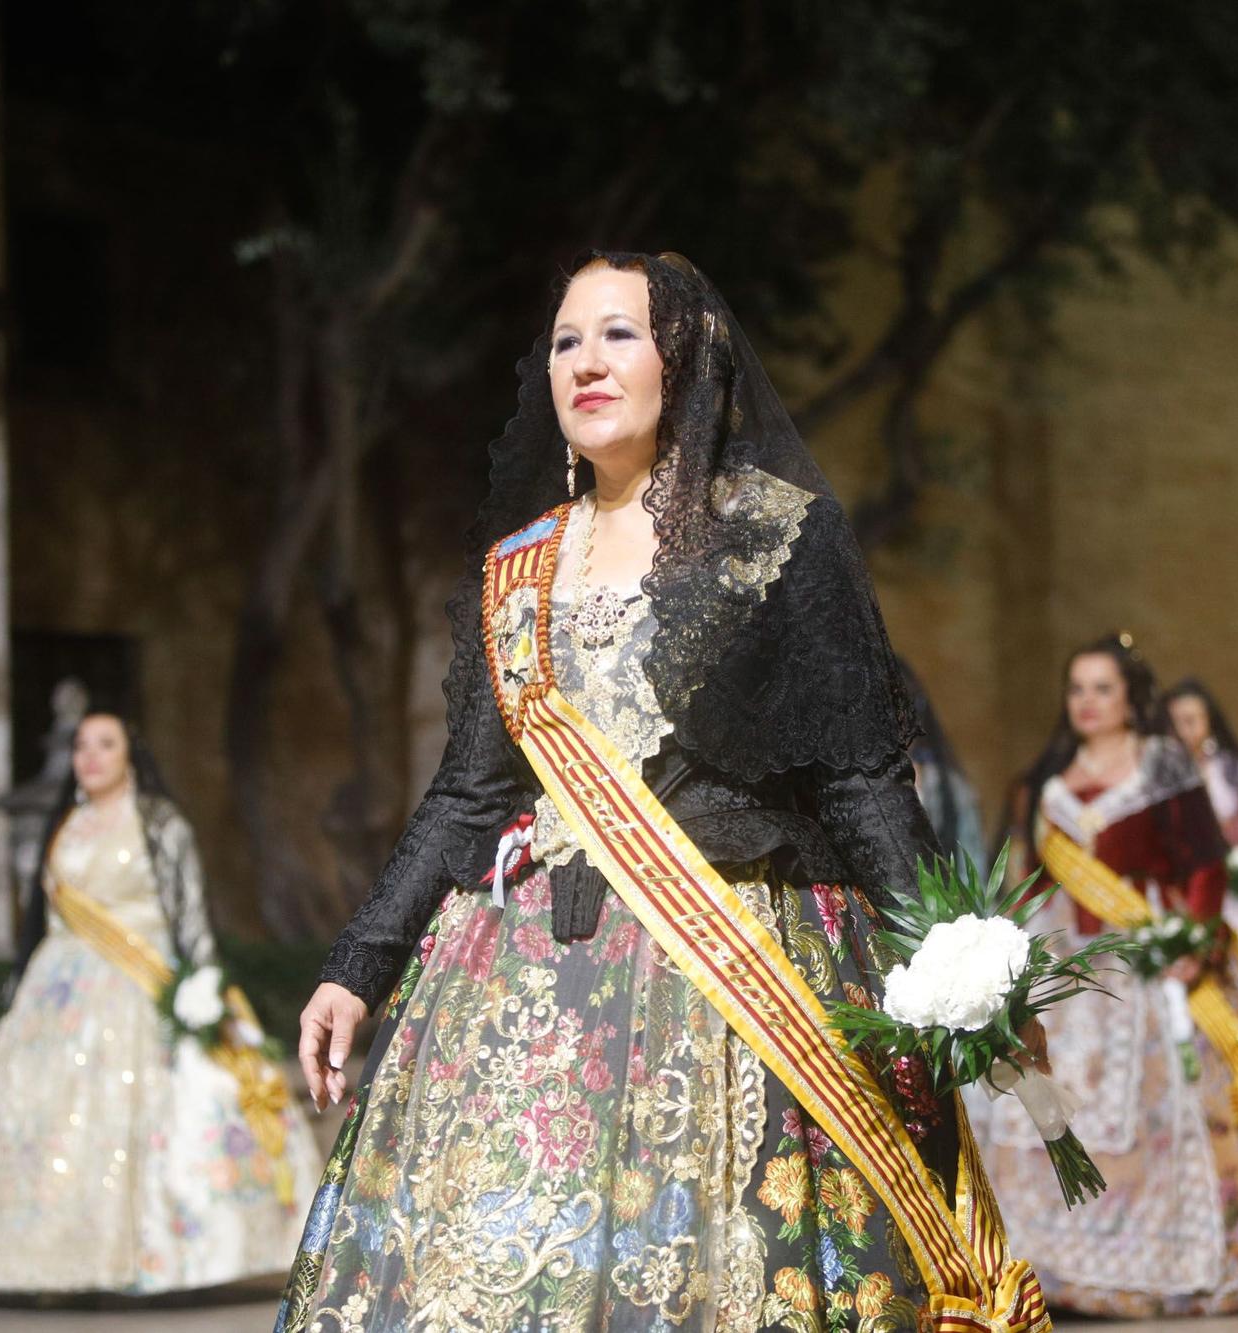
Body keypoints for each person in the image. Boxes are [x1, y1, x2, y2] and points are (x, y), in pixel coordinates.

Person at [277, 252, 1048, 1332]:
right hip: (527, 991)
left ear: (683, 360)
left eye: (617, 335)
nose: (584, 363)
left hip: (733, 975)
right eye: (564, 341)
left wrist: (955, 960)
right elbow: (465, 794)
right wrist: (355, 968)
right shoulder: (519, 569)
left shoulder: (774, 537)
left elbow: (859, 779)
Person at [968, 635, 1238, 1317]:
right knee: (1036, 1103)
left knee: (1166, 1105)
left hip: (1147, 959)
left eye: (1102, 688)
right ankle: (1054, 1268)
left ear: (1131, 697)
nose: (1087, 702)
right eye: (1077, 689)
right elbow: (1035, 871)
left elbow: (1206, 863)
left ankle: (1158, 1259)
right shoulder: (1053, 777)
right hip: (1065, 964)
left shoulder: (1161, 767)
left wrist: (1196, 939)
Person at [0, 712, 319, 1299]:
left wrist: (204, 990)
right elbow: (40, 918)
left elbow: (190, 914)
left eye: (105, 744)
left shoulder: (159, 823)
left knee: (152, 1112)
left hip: (142, 985)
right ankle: (45, 1266)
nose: (89, 756)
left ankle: (146, 1260)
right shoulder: (63, 825)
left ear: (129, 755)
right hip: (58, 996)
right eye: (80, 746)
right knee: (46, 1120)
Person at [1161, 679, 1238, 1017]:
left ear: (1209, 722)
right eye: (1175, 722)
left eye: (1192, 720)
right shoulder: (1158, 780)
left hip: (1236, 907)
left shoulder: (1233, 773)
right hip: (1179, 907)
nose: (1183, 731)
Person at [896, 654, 987, 866]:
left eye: (909, 707)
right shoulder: (859, 790)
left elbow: (973, 868)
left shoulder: (951, 790)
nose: (901, 722)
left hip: (946, 896)